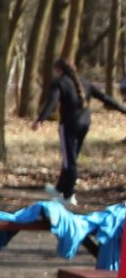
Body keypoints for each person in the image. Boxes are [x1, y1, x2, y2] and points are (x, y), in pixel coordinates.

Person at [35, 58, 92, 205]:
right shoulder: (84, 83)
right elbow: (105, 97)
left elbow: (52, 101)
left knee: (70, 161)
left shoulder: (59, 82)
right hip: (85, 124)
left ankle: (69, 195)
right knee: (71, 157)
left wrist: (40, 119)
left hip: (69, 125)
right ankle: (60, 188)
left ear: (58, 70)